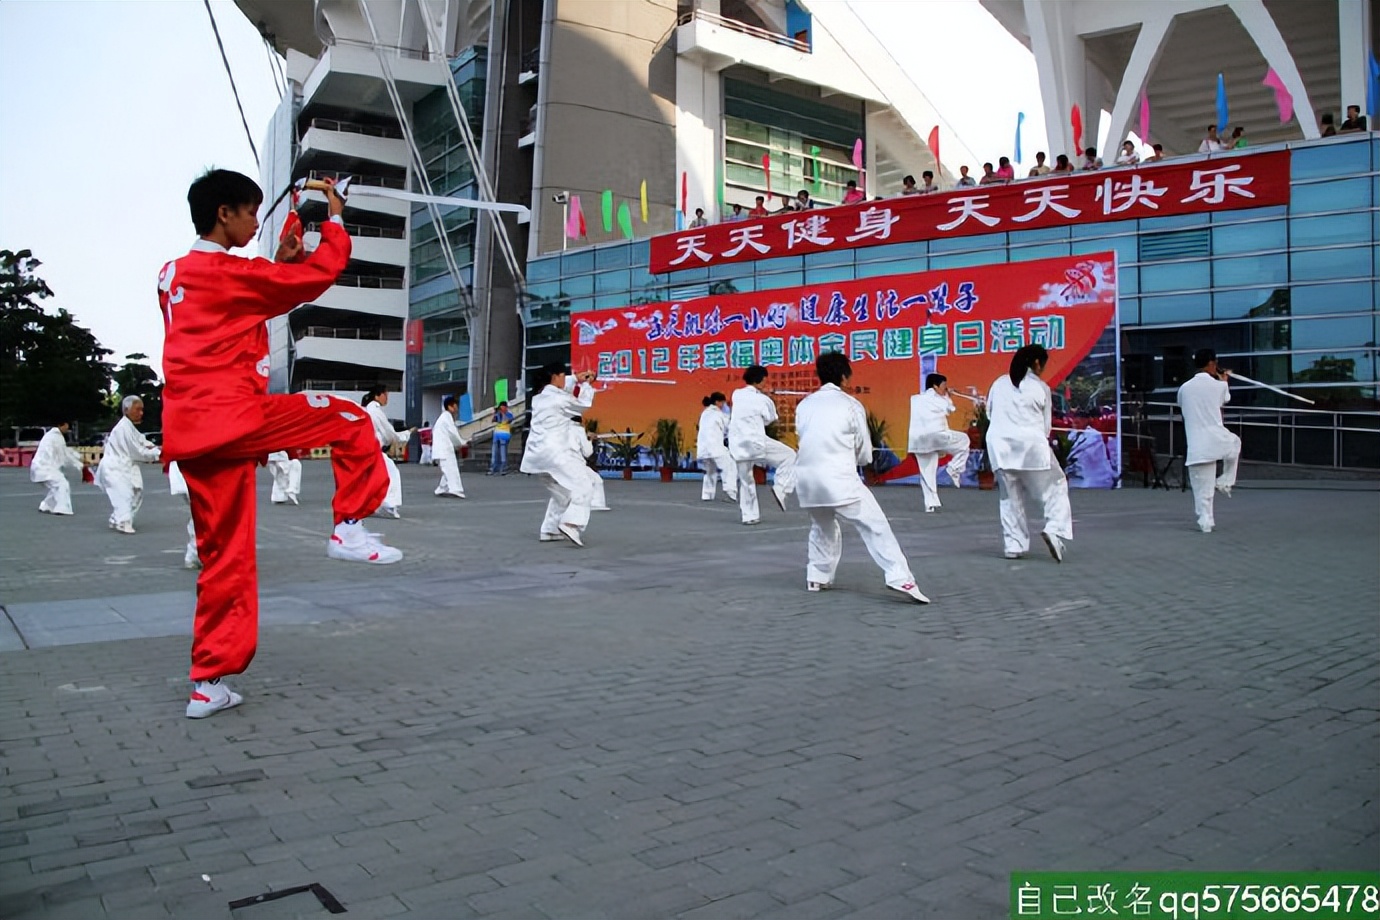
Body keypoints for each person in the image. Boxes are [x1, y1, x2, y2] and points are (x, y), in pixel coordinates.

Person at [159, 169, 398, 719]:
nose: (253, 222)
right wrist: (335, 216)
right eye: (249, 212)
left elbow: (248, 301)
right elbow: (316, 276)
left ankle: (208, 683)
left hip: (192, 434)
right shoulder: (226, 274)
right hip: (233, 418)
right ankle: (348, 526)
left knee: (225, 559)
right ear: (225, 213)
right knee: (349, 418)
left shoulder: (173, 275)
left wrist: (282, 259)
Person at [795, 352, 929, 603]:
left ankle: (817, 575)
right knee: (876, 526)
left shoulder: (804, 405)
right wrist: (861, 461)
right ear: (844, 378)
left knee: (822, 526)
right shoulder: (851, 404)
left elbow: (805, 437)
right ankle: (901, 578)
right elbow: (864, 450)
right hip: (839, 478)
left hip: (806, 480)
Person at [985, 344, 1073, 562]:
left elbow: (989, 413)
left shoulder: (999, 383)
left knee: (1010, 498)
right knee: (1056, 487)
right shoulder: (1040, 387)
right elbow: (1045, 427)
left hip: (1000, 447)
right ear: (1036, 363)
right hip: (1031, 447)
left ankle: (1013, 546)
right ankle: (1054, 528)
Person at [521, 363, 597, 545]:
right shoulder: (560, 399)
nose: (565, 379)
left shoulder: (538, 398)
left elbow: (560, 390)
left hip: (536, 458)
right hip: (555, 454)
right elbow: (583, 405)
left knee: (562, 494)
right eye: (564, 375)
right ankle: (572, 523)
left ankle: (549, 529)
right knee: (584, 484)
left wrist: (576, 379)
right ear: (555, 377)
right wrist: (586, 385)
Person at [1176, 348, 1240, 534]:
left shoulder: (1184, 388)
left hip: (1197, 446)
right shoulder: (1219, 386)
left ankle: (1205, 521)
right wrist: (1224, 382)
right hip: (1216, 439)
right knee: (1235, 444)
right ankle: (1226, 481)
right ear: (1212, 363)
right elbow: (1224, 399)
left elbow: (1183, 404)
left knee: (1202, 490)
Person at [728, 365, 796, 525]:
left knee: (746, 480)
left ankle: (749, 516)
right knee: (790, 456)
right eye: (764, 381)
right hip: (756, 442)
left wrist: (762, 394)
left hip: (738, 445)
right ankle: (782, 488)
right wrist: (767, 397)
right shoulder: (763, 400)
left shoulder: (736, 394)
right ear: (759, 381)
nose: (766, 384)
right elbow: (770, 419)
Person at [96, 396, 161, 534]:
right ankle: (123, 522)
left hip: (125, 466)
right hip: (115, 468)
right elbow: (137, 451)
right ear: (126, 410)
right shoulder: (123, 428)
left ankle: (116, 519)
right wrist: (158, 453)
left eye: (142, 410)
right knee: (124, 495)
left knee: (136, 492)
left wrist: (154, 447)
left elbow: (141, 441)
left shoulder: (129, 426)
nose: (141, 413)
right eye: (137, 409)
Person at [907, 374, 970, 513]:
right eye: (943, 386)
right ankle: (954, 468)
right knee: (964, 441)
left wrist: (945, 394)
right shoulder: (937, 398)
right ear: (935, 386)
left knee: (926, 471)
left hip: (918, 440)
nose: (945, 389)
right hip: (937, 436)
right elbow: (950, 409)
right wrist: (947, 396)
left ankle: (930, 504)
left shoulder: (916, 398)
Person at [363, 384, 412, 518]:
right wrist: (404, 435)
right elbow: (388, 432)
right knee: (392, 473)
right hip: (372, 449)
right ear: (378, 396)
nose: (387, 398)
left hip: (368, 450)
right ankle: (389, 504)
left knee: (374, 477)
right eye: (386, 395)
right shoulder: (374, 410)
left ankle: (370, 504)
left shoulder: (370, 409)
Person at [31, 422, 85, 516]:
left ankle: (46, 505)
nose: (67, 428)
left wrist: (79, 458)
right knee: (62, 484)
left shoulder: (51, 435)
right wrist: (79, 463)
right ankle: (61, 508)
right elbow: (64, 455)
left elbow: (65, 451)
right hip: (45, 467)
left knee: (56, 486)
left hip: (40, 466)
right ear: (61, 425)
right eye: (66, 425)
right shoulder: (56, 437)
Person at [696, 392, 737, 503]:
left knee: (710, 471)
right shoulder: (719, 415)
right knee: (730, 467)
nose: (724, 405)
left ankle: (707, 495)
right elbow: (729, 427)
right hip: (715, 447)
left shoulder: (704, 413)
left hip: (703, 448)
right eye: (723, 403)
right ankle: (731, 493)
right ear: (718, 402)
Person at [432, 395, 468, 498]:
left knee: (447, 469)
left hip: (442, 448)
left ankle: (442, 488)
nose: (457, 408)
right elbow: (453, 433)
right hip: (444, 449)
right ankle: (455, 489)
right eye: (455, 405)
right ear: (450, 406)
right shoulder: (446, 417)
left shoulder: (444, 417)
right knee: (451, 469)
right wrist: (461, 443)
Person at [167, 461, 200, 569]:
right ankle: (195, 553)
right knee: (201, 513)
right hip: (193, 473)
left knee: (199, 513)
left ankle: (196, 553)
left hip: (189, 472)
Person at [489, 401, 515, 475]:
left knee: (503, 452)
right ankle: (493, 468)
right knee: (494, 452)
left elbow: (509, 420)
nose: (501, 409)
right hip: (497, 434)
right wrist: (495, 413)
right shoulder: (497, 414)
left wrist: (503, 413)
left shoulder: (509, 414)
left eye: (502, 407)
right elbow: (494, 420)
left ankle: (503, 468)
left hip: (504, 434)